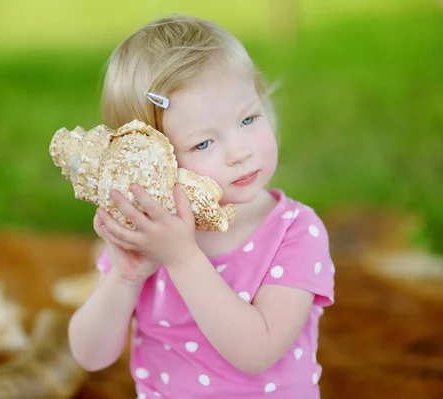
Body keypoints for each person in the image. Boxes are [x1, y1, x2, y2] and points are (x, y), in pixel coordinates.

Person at [67, 14, 335, 399]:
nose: (240, 152)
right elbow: (90, 355)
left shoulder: (294, 231)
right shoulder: (149, 235)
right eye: (203, 144)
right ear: (151, 160)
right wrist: (124, 278)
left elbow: (257, 351)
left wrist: (182, 259)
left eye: (248, 118)